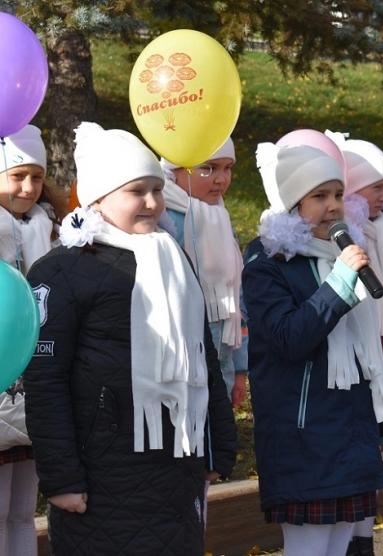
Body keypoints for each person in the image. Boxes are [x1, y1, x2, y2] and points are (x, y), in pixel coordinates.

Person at [23, 122, 237, 555]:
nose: (153, 202)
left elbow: (202, 358)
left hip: (175, 463)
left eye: (156, 189)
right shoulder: (62, 270)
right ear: (99, 197)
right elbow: (46, 384)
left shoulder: (172, 258)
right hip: (102, 471)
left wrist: (217, 443)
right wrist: (62, 479)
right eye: (136, 191)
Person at [243, 143, 383, 556]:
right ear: (293, 203)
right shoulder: (267, 261)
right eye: (319, 197)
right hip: (302, 432)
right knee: (309, 548)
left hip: (349, 430)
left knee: (341, 546)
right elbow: (289, 338)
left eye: (338, 195)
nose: (333, 207)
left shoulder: (340, 254)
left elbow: (364, 352)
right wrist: (340, 285)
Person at [326, 131, 383, 556]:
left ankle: (364, 536)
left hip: (381, 349)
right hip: (357, 355)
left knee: (372, 458)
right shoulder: (349, 236)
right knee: (360, 455)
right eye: (377, 187)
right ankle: (355, 540)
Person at [0, 125, 58, 556]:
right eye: (16, 176)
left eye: (36, 178)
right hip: (2, 381)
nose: (27, 188)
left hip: (37, 385)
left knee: (24, 511)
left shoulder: (49, 231)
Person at [160, 140, 248, 407]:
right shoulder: (162, 220)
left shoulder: (219, 217)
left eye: (227, 168)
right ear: (173, 170)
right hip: (180, 356)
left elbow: (237, 295)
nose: (221, 179)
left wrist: (240, 367)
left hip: (221, 351)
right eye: (207, 169)